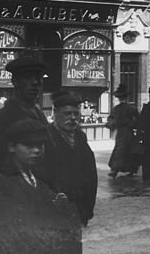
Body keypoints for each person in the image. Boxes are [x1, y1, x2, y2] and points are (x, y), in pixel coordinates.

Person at [0, 118, 82, 254]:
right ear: (11, 147)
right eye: (29, 145)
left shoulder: (41, 182)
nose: (37, 150)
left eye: (40, 145)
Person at [0, 55, 49, 190]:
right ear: (15, 81)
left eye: (38, 78)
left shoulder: (41, 118)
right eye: (28, 77)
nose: (35, 82)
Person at [42, 91, 97, 227]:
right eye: (67, 114)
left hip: (79, 209)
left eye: (76, 114)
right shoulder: (45, 139)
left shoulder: (80, 137)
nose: (73, 118)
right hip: (54, 212)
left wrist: (87, 209)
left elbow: (90, 175)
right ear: (55, 114)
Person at [105, 83, 140, 178]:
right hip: (129, 132)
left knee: (119, 150)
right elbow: (138, 119)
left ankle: (115, 169)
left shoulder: (116, 109)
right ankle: (131, 169)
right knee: (130, 150)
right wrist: (133, 125)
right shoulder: (131, 108)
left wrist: (111, 125)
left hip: (120, 132)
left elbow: (111, 120)